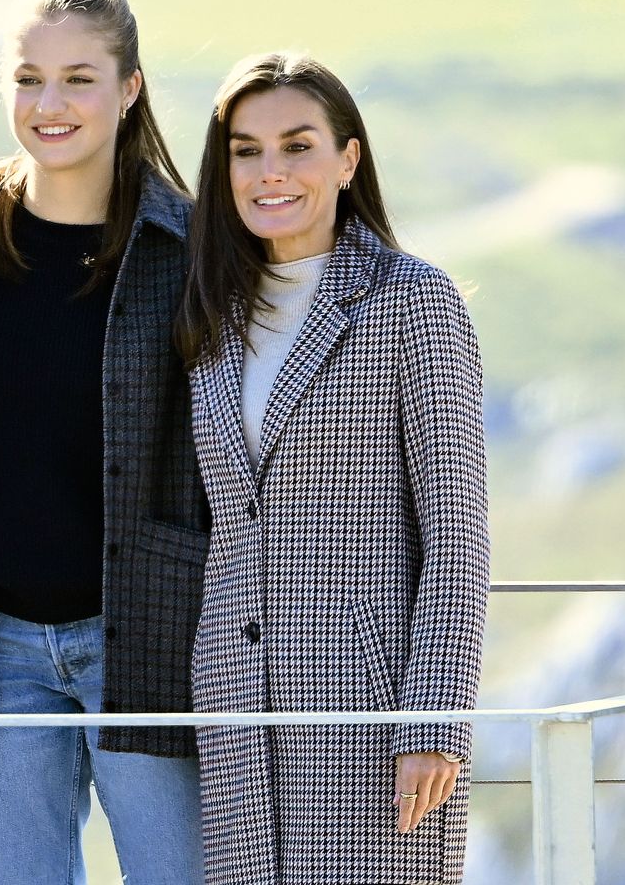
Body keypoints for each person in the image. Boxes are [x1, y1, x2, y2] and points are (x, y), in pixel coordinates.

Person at [0, 0, 210, 885]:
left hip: (153, 638)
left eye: (79, 78)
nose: (51, 103)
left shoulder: (192, 249)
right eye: (28, 77)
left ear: (129, 89)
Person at [178, 52, 489, 884]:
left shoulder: (412, 299)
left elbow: (457, 534)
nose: (270, 172)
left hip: (371, 717)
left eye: (297, 145)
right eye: (246, 151)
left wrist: (434, 721)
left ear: (348, 159)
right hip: (235, 717)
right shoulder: (210, 314)